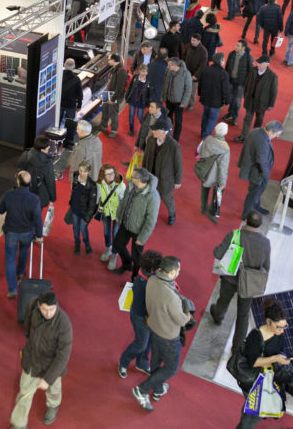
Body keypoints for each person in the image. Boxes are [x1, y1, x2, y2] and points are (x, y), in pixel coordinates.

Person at [131, 256, 191, 412]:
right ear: (172, 272)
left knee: (156, 362)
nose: (179, 271)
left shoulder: (152, 279)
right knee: (171, 367)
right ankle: (142, 389)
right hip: (168, 336)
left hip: (154, 327)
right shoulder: (171, 296)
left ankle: (157, 390)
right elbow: (181, 320)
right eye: (178, 269)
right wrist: (188, 315)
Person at [8, 290, 73, 429]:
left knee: (54, 390)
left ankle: (53, 405)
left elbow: (63, 355)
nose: (48, 313)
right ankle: (19, 424)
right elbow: (27, 327)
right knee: (24, 393)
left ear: (56, 306)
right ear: (38, 305)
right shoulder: (32, 305)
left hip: (52, 363)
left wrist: (48, 379)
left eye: (52, 309)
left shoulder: (64, 323)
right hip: (32, 360)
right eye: (44, 309)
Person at [209, 211, 272, 352]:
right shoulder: (265, 243)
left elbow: (217, 253)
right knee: (243, 315)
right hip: (249, 283)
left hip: (230, 279)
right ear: (260, 225)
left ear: (246, 221)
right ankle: (236, 347)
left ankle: (218, 316)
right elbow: (266, 266)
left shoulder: (235, 235)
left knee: (223, 300)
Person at [233, 298, 291, 428]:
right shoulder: (256, 336)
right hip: (255, 380)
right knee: (250, 417)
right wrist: (275, 359)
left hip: (270, 378)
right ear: (268, 321)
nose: (282, 331)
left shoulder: (279, 335)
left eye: (285, 326)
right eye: (279, 327)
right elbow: (253, 362)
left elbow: (280, 350)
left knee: (256, 412)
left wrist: (281, 358)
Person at [117, 249, 163, 378]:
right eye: (159, 268)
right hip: (140, 317)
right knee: (141, 343)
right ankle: (124, 361)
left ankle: (142, 363)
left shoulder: (149, 277)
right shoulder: (143, 283)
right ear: (152, 269)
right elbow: (146, 304)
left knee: (149, 342)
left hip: (150, 317)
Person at [0, 171, 43, 299]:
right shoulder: (35, 199)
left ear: (18, 182)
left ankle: (12, 289)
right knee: (24, 251)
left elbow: (0, 210)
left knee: (10, 259)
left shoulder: (9, 195)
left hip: (11, 232)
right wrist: (39, 235)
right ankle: (21, 272)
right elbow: (38, 219)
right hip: (27, 232)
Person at [112, 167, 161, 277]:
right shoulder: (131, 186)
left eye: (133, 177)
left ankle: (135, 276)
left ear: (139, 180)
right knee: (118, 244)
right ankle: (126, 264)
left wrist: (142, 238)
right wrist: (119, 215)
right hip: (125, 224)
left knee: (137, 258)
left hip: (138, 231)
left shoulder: (153, 197)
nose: (130, 178)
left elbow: (151, 220)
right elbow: (124, 201)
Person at [141, 118, 182, 226]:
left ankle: (172, 213)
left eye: (155, 130)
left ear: (164, 132)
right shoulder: (150, 140)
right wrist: (143, 171)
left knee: (167, 198)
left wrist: (178, 180)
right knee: (149, 195)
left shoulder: (174, 146)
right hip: (151, 175)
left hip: (165, 179)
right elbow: (146, 156)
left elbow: (178, 164)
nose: (153, 131)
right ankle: (148, 214)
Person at [238, 120, 284, 216]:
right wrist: (266, 175)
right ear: (271, 131)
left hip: (253, 168)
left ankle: (256, 207)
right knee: (254, 193)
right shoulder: (262, 141)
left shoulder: (256, 130)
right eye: (277, 134)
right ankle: (246, 215)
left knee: (256, 192)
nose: (277, 137)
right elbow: (261, 161)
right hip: (258, 172)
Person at [236, 56, 278, 142]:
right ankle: (243, 136)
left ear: (267, 64)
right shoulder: (252, 71)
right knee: (247, 118)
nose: (258, 64)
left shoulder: (272, 76)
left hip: (262, 102)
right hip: (251, 99)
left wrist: (271, 104)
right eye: (258, 63)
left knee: (259, 120)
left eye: (260, 63)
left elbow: (273, 92)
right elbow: (247, 83)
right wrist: (245, 94)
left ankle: (254, 137)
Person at [197, 122, 231, 222]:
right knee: (218, 192)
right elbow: (223, 167)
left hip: (205, 171)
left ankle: (203, 208)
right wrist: (222, 182)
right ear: (225, 133)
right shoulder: (225, 148)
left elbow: (200, 153)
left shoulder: (207, 139)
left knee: (204, 189)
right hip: (216, 174)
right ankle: (214, 211)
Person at [96, 163, 125, 268]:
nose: (111, 176)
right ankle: (108, 247)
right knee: (106, 232)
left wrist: (121, 216)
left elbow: (124, 202)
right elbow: (98, 197)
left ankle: (114, 253)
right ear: (103, 175)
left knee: (116, 234)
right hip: (106, 212)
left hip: (117, 214)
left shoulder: (120, 185)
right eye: (107, 174)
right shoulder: (100, 184)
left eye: (112, 173)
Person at [198, 53, 231, 140]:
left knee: (205, 116)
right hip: (216, 101)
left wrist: (200, 93)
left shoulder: (206, 69)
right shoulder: (224, 74)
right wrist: (227, 101)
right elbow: (226, 89)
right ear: (220, 61)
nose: (224, 61)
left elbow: (200, 83)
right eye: (223, 59)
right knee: (212, 119)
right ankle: (206, 135)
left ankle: (203, 132)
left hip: (206, 98)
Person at [67, 161, 98, 255]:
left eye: (84, 171)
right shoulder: (76, 175)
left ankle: (87, 244)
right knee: (75, 228)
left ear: (89, 172)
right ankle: (77, 244)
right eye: (80, 170)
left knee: (83, 229)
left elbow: (92, 204)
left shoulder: (92, 185)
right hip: (75, 209)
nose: (81, 173)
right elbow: (73, 189)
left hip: (84, 212)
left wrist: (87, 218)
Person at [17, 135, 57, 208]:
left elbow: (19, 171)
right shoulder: (46, 163)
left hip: (25, 190)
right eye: (47, 146)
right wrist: (53, 198)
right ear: (42, 149)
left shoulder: (25, 154)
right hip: (39, 194)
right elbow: (50, 181)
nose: (49, 147)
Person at [99, 54, 129, 137]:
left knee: (113, 113)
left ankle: (114, 130)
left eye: (109, 59)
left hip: (115, 95)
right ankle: (103, 126)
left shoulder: (121, 71)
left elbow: (119, 88)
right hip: (108, 93)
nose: (108, 61)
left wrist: (112, 99)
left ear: (113, 60)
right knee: (105, 110)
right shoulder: (114, 68)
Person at [161, 58, 192, 141]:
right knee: (168, 118)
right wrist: (164, 96)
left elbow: (188, 89)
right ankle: (168, 134)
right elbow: (165, 84)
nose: (167, 67)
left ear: (175, 66)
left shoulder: (186, 74)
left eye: (169, 65)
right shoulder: (168, 72)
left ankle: (175, 139)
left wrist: (184, 102)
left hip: (179, 102)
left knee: (178, 121)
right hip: (169, 100)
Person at [225, 41, 252, 126]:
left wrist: (246, 84)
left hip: (241, 83)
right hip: (231, 80)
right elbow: (227, 65)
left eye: (238, 46)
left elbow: (250, 72)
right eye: (236, 45)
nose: (235, 47)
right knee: (230, 98)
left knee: (237, 101)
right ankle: (230, 113)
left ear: (243, 48)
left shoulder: (248, 58)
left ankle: (235, 116)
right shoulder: (232, 54)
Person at [124, 65, 154, 138]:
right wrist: (126, 96)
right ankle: (131, 130)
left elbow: (150, 93)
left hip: (141, 102)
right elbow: (130, 87)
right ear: (139, 71)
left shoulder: (148, 82)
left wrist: (149, 103)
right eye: (143, 71)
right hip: (132, 100)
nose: (144, 73)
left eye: (146, 71)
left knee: (140, 116)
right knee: (131, 115)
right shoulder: (135, 78)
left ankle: (144, 129)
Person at [59, 59, 83, 145]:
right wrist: (79, 105)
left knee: (57, 121)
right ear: (74, 66)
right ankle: (68, 140)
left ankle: (56, 138)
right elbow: (79, 94)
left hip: (59, 103)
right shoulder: (76, 79)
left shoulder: (59, 75)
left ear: (64, 65)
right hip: (71, 104)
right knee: (70, 123)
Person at [182, 35, 208, 110]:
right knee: (183, 88)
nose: (192, 42)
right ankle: (183, 101)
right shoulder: (188, 46)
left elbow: (203, 65)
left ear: (199, 41)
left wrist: (196, 75)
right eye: (191, 40)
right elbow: (184, 56)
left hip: (194, 74)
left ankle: (191, 104)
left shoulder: (203, 51)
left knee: (192, 90)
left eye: (194, 40)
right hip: (186, 71)